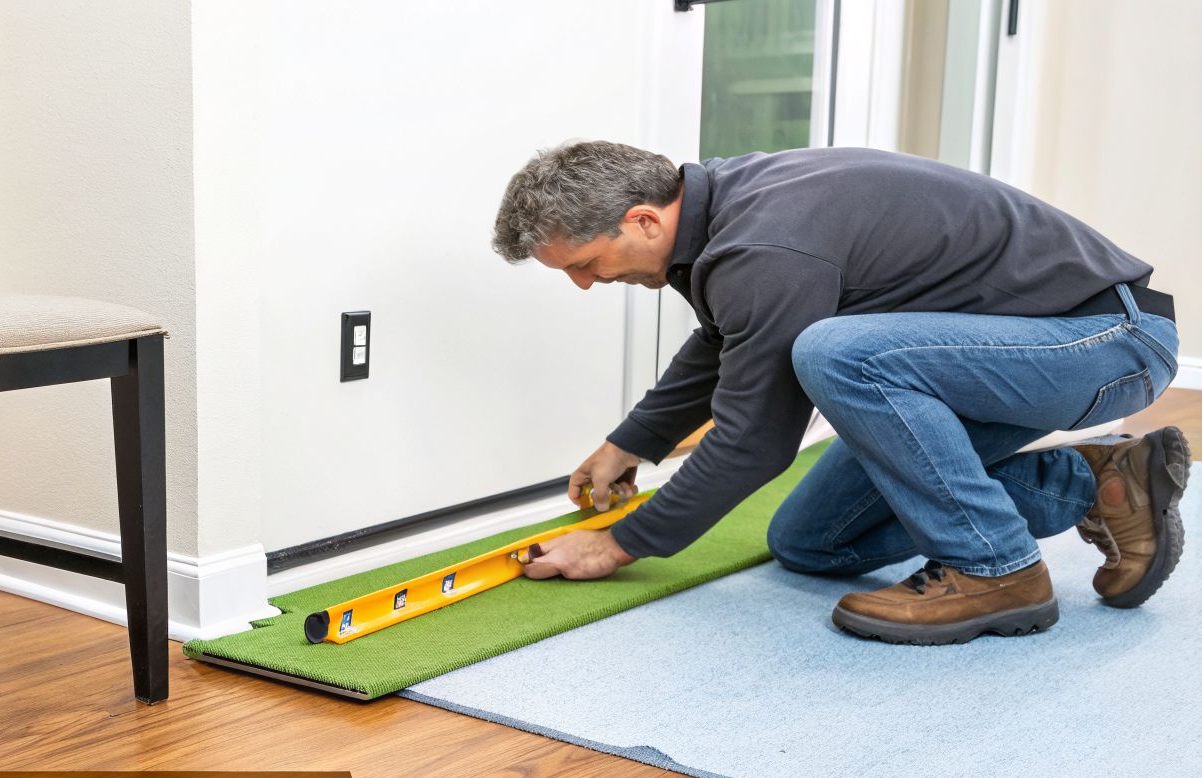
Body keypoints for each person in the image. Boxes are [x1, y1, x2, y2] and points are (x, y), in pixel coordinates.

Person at [491, 141, 1186, 644]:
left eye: (584, 265)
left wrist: (620, 544)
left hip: (1106, 344)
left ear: (642, 219)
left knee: (834, 353)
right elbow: (730, 339)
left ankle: (997, 569)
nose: (585, 284)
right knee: (811, 540)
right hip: (1030, 353)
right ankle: (1098, 484)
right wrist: (630, 443)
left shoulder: (766, 245)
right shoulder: (732, 213)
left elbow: (755, 439)